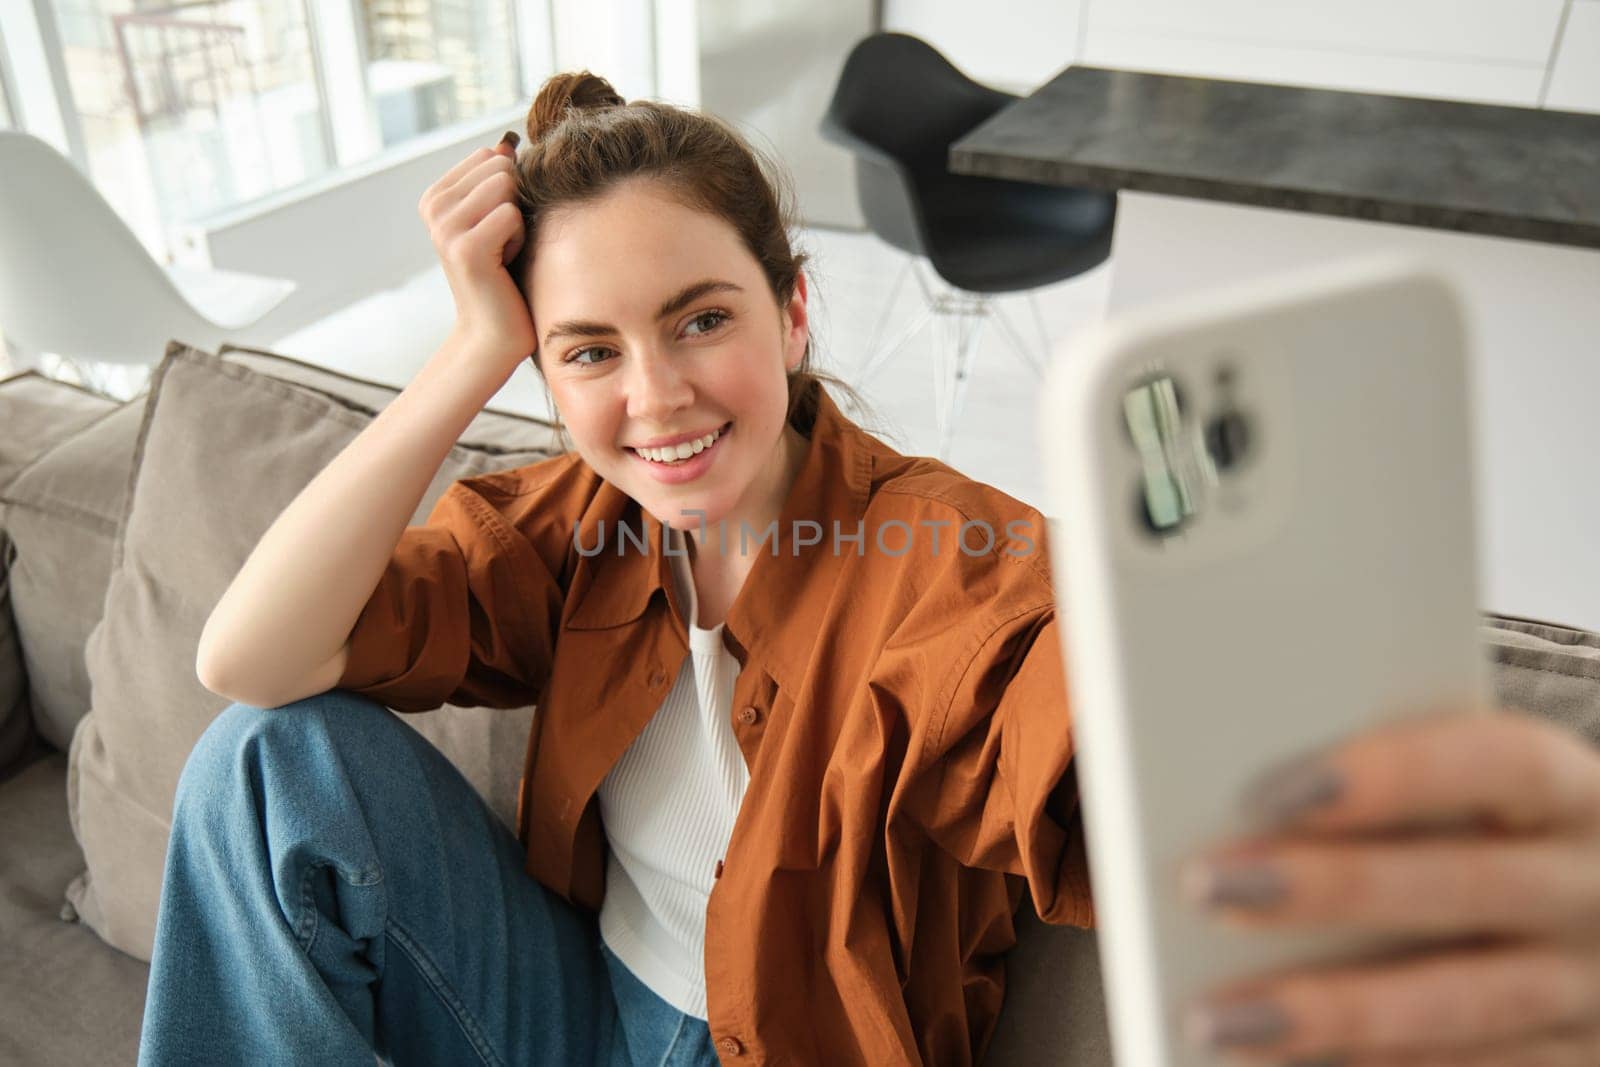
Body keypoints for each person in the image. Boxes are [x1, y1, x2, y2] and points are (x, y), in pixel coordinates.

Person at [138, 70, 1600, 1066]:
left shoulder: (935, 555)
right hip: (570, 1010)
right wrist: (471, 356)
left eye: (701, 319)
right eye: (590, 349)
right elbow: (248, 663)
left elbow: (1088, 737)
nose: (656, 399)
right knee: (265, 763)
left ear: (794, 311)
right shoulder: (575, 524)